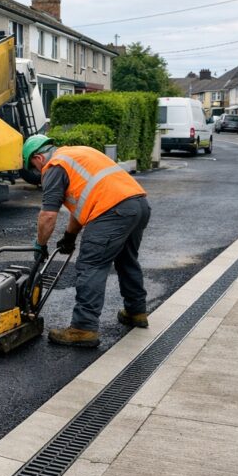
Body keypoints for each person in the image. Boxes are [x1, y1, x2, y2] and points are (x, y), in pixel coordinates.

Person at [22, 134, 151, 348]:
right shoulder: (77, 153)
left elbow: (47, 215)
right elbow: (83, 204)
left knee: (91, 266)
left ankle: (83, 328)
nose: (37, 173)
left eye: (33, 168)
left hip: (112, 211)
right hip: (138, 205)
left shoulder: (54, 166)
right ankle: (136, 312)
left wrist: (40, 245)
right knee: (127, 260)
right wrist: (70, 236)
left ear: (38, 158)